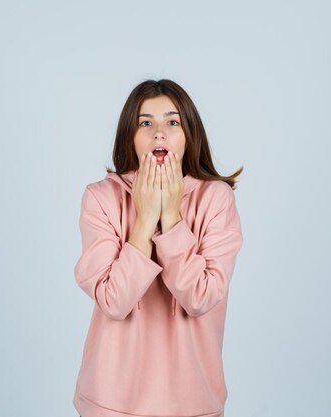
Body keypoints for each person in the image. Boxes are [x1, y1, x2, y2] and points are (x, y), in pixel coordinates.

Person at [72, 79, 243, 417]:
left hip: (193, 402)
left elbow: (200, 298)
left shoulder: (216, 199)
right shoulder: (101, 198)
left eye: (173, 121)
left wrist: (171, 217)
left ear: (189, 135)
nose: (159, 133)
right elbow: (114, 301)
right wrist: (145, 220)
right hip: (110, 402)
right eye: (145, 122)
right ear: (130, 138)